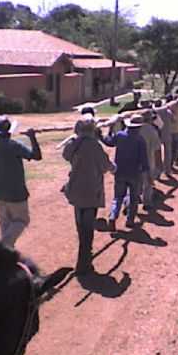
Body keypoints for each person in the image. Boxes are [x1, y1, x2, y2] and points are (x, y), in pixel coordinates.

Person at [62, 115, 115, 274]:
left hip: (76, 189)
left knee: (80, 226)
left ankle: (83, 258)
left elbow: (66, 156)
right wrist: (115, 168)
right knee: (88, 228)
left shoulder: (73, 144)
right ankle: (85, 261)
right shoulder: (94, 145)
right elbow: (106, 165)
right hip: (92, 190)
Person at [0, 116, 42, 248]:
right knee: (22, 220)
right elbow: (37, 156)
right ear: (9, 131)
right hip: (16, 193)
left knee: (5, 224)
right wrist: (32, 137)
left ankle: (6, 256)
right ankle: (3, 246)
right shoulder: (14, 145)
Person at [103, 114, 150, 230]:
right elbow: (144, 160)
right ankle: (130, 220)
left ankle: (113, 216)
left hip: (120, 172)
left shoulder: (120, 135)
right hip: (134, 173)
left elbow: (108, 142)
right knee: (134, 198)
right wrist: (147, 176)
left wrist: (108, 131)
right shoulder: (140, 140)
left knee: (118, 197)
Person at [140, 110, 163, 210]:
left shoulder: (135, 129)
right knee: (148, 184)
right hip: (149, 161)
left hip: (135, 162)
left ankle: (130, 203)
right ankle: (147, 202)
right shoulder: (152, 131)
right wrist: (159, 163)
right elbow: (157, 149)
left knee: (135, 184)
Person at [153, 99, 175, 176]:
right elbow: (173, 120)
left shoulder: (154, 113)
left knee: (156, 154)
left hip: (158, 136)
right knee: (168, 153)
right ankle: (167, 170)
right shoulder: (168, 112)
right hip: (167, 134)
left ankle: (158, 172)